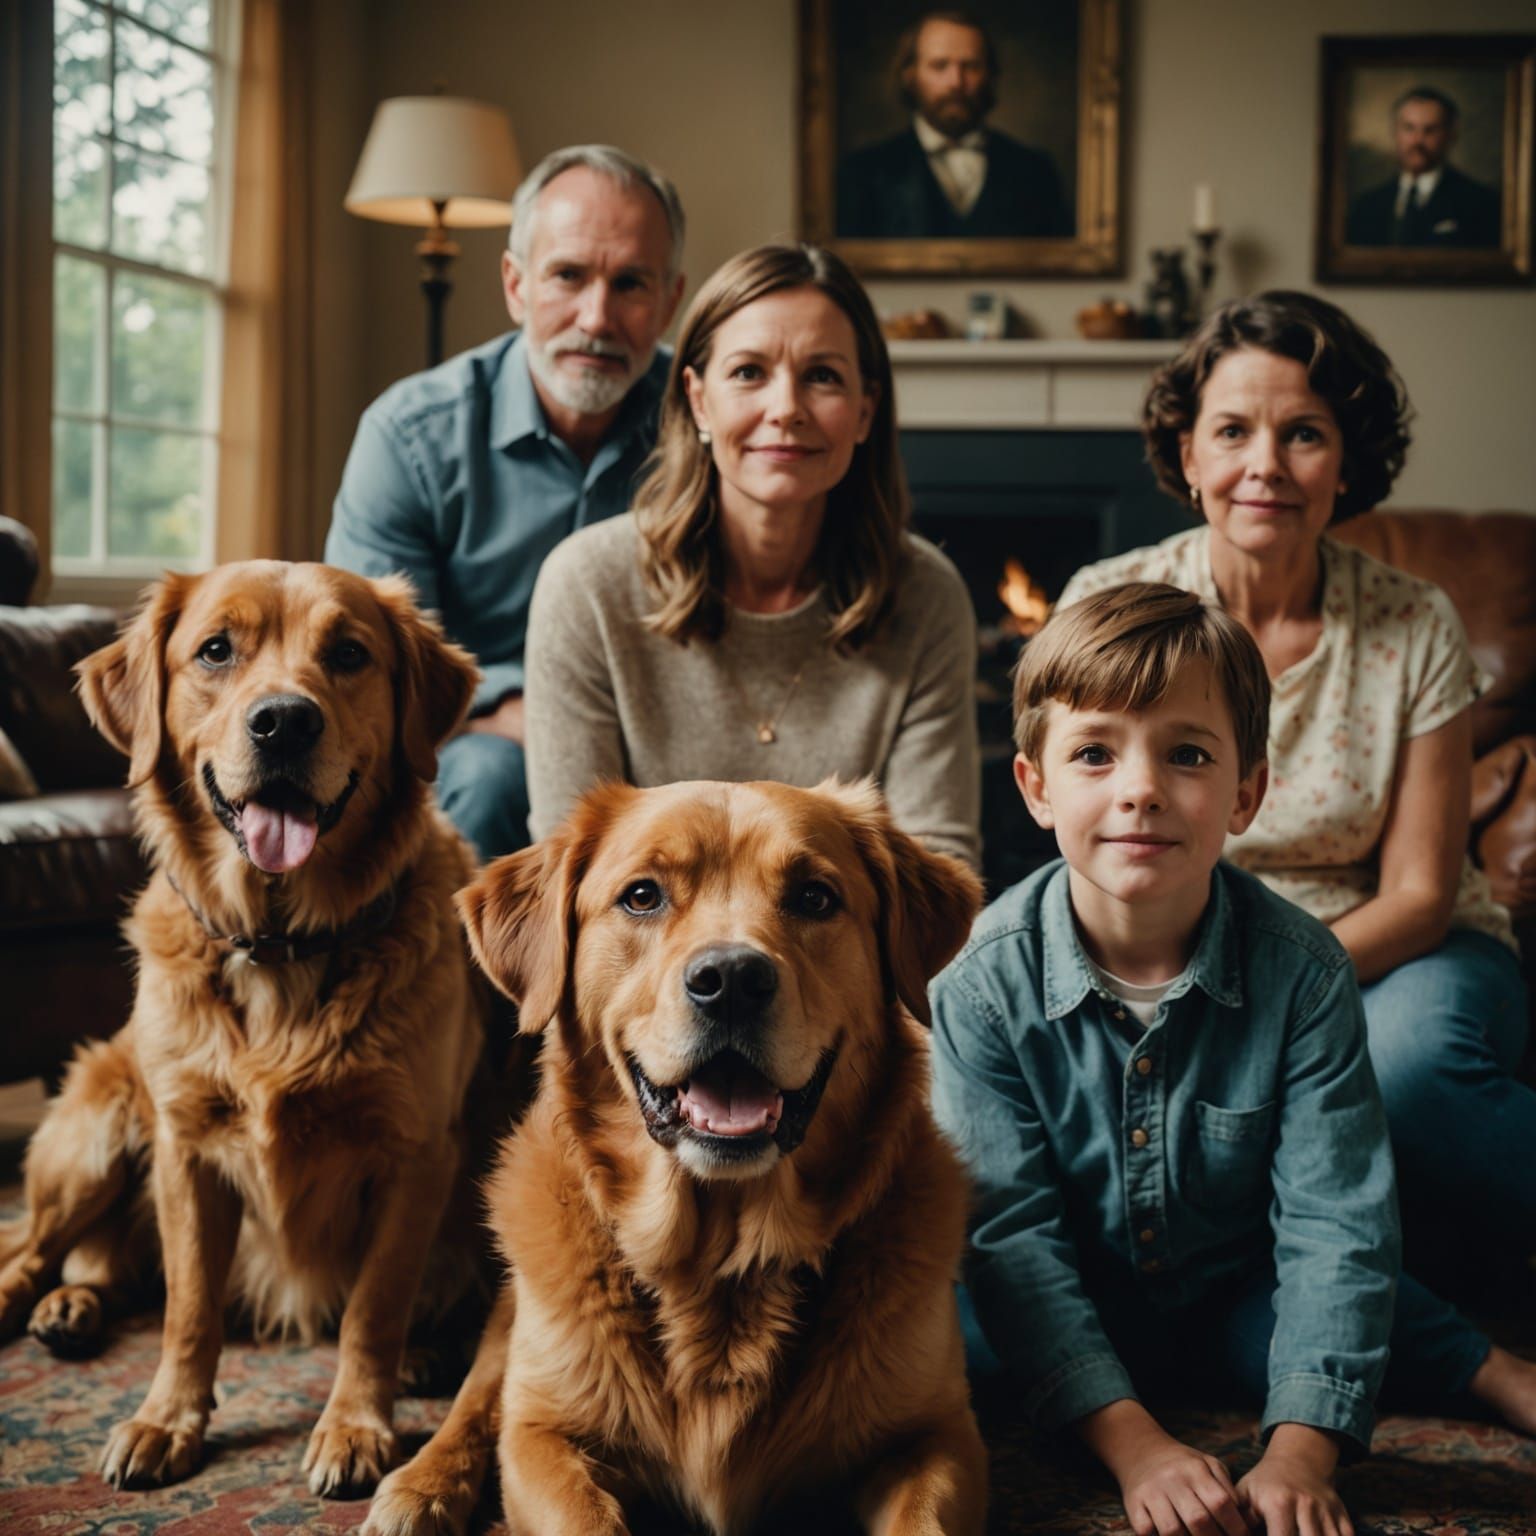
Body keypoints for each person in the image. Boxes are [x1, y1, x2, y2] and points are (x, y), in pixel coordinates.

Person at [931, 583, 1536, 1536]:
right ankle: (1108, 1398)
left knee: (1343, 1310)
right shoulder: (974, 984)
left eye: (1188, 754)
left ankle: (1496, 1372)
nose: (1140, 788)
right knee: (940, 1345)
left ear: (1246, 792)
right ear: (1035, 786)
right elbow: (1010, 1238)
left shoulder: (1305, 972)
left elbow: (1337, 1222)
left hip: (1233, 1284)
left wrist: (1300, 1450)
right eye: (1094, 752)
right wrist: (1137, 1446)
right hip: (1061, 1294)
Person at [1059, 291, 1536, 1266]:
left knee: (1410, 1067)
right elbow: (1089, 847)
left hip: (1402, 957)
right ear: (1189, 456)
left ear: (1347, 461)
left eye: (1305, 434)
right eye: (1233, 430)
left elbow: (1418, 897)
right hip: (1170, 954)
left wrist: (1243, 992)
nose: (1266, 465)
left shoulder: (1415, 624)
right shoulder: (1111, 605)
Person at [523, 242, 980, 868]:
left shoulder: (927, 594)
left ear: (865, 409)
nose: (786, 408)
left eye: (822, 376)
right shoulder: (586, 586)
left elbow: (936, 862)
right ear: (698, 399)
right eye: (748, 372)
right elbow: (573, 865)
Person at [325, 145, 686, 860]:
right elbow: (368, 669)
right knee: (489, 779)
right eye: (569, 276)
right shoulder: (409, 438)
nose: (597, 316)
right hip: (481, 745)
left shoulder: (709, 425)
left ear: (670, 302)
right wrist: (525, 717)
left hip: (665, 728)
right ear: (517, 285)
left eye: (631, 285)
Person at [836, 10, 1070, 240]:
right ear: (910, 75)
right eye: (939, 66)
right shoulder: (863, 174)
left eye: (971, 66)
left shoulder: (1036, 172)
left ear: (990, 75)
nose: (956, 82)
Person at [1345, 86, 1500, 248]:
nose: (1418, 140)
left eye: (1430, 130)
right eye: (1409, 128)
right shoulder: (1367, 206)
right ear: (1395, 132)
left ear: (1450, 135)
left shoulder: (1481, 204)